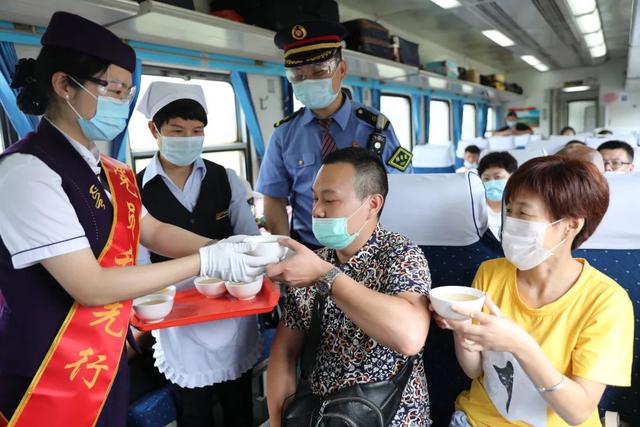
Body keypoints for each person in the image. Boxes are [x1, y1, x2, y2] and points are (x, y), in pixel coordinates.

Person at [0, 12, 277, 427]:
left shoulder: (110, 171)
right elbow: (90, 286)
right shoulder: (25, 172)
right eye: (112, 89)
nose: (121, 103)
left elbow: (153, 231)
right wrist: (209, 261)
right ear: (63, 86)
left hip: (100, 355)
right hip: (47, 370)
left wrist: (224, 246)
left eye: (127, 92)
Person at [433, 156, 634, 427]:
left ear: (571, 225)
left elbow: (577, 413)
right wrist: (461, 328)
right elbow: (475, 370)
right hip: (476, 420)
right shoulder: (491, 272)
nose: (510, 223)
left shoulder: (607, 302)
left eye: (524, 214)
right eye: (509, 210)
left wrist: (521, 345)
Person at [265, 147, 432, 427]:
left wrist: (326, 277)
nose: (317, 210)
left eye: (330, 199)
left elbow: (410, 337)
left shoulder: (401, 255)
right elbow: (284, 353)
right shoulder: (312, 261)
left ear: (372, 204)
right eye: (315, 198)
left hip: (389, 415)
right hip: (319, 415)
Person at [134, 81, 262, 426]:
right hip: (177, 315)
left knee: (239, 402)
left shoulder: (226, 179)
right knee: (193, 409)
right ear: (154, 130)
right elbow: (140, 263)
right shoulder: (134, 190)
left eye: (196, 131)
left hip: (233, 306)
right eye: (177, 130)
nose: (187, 137)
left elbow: (249, 239)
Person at [257, 21, 412, 250]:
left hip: (365, 248)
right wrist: (287, 251)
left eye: (319, 71)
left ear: (341, 70)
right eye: (298, 75)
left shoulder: (376, 128)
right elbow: (273, 198)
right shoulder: (284, 133)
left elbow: (401, 188)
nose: (308, 80)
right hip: (307, 248)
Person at [476, 152, 518, 239]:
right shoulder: (474, 209)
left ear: (513, 177)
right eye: (486, 179)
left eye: (498, 177)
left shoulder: (522, 207)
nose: (492, 183)